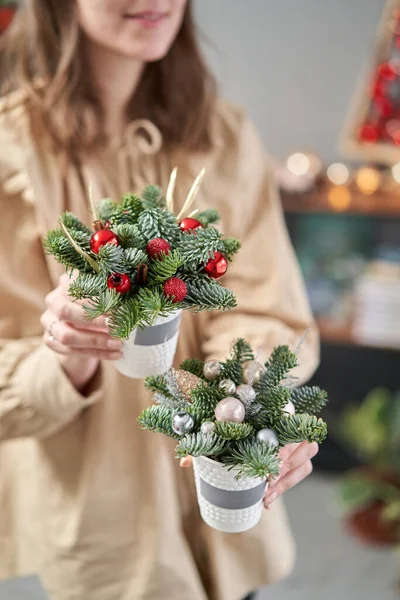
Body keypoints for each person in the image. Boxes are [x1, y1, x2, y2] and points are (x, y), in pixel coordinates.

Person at [0, 2, 320, 599]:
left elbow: (265, 305)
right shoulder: (10, 157)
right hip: (108, 536)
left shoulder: (222, 134)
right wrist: (68, 359)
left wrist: (249, 402)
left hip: (231, 515)